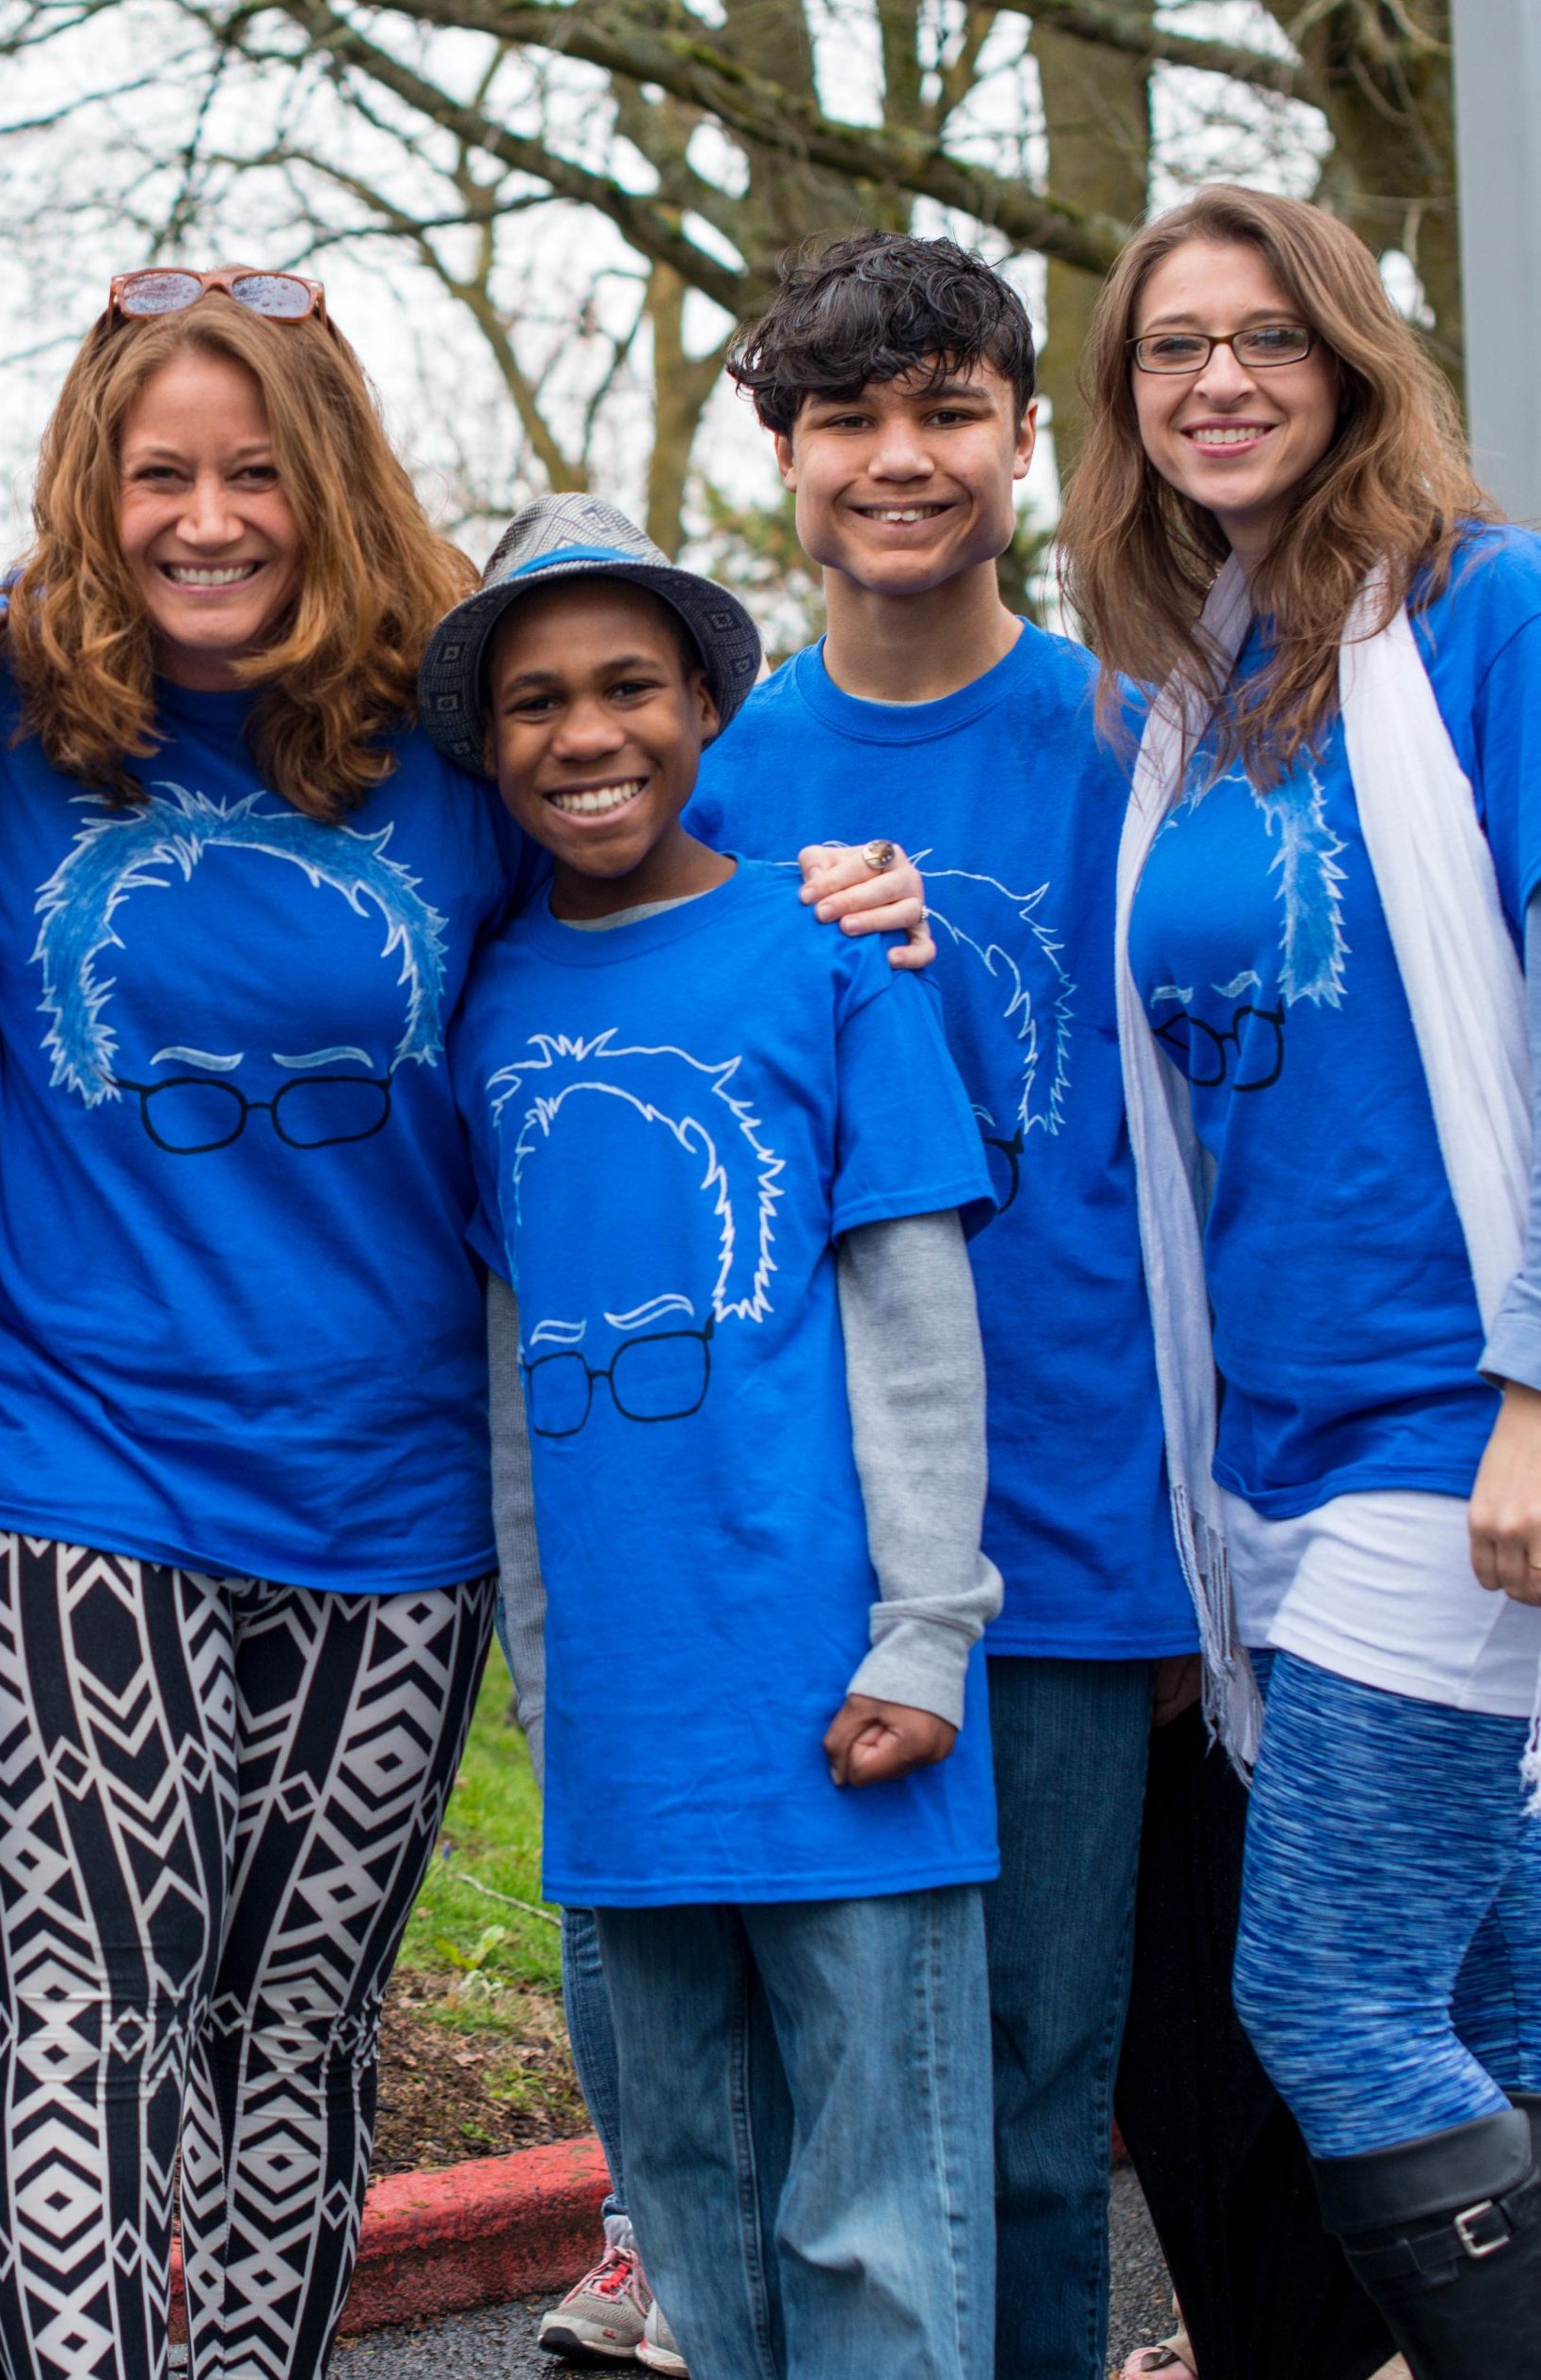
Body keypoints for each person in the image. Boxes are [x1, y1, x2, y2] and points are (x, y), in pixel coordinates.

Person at [0, 276, 932, 2380]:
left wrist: (848, 878)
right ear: (93, 498)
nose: (207, 514)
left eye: (255, 469)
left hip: (390, 1510)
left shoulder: (458, 754)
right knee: (95, 2003)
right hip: (66, 1475)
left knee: (296, 2025)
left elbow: (667, 854)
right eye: (158, 471)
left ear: (330, 483)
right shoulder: (9, 734)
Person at [663, 231, 1211, 2380]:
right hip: (796, 1535)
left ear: (1016, 435)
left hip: (1080, 1526)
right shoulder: (701, 772)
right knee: (814, 2113)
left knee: (1039, 2110)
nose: (899, 460)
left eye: (945, 412)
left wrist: (1194, 1550)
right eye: (845, 420)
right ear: (781, 456)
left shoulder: (1139, 741)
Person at [438, 495, 1003, 2379]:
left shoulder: (825, 955)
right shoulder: (487, 1003)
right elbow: (513, 1358)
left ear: (700, 704)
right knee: (688, 2204)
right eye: (531, 701)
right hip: (626, 1710)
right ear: (485, 740)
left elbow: (914, 1321)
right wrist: (543, 1660)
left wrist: (928, 1625)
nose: (580, 734)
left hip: (846, 1683)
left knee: (875, 2220)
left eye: (624, 687)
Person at [1062, 184, 1541, 2375]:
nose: (1219, 380)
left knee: (1324, 1990)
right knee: (1493, 1988)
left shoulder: (1486, 616)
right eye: (1173, 347)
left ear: (1352, 359)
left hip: (1451, 1428)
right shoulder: (1191, 684)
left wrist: (1540, 1388)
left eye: (1266, 337)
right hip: (1264, 1436)